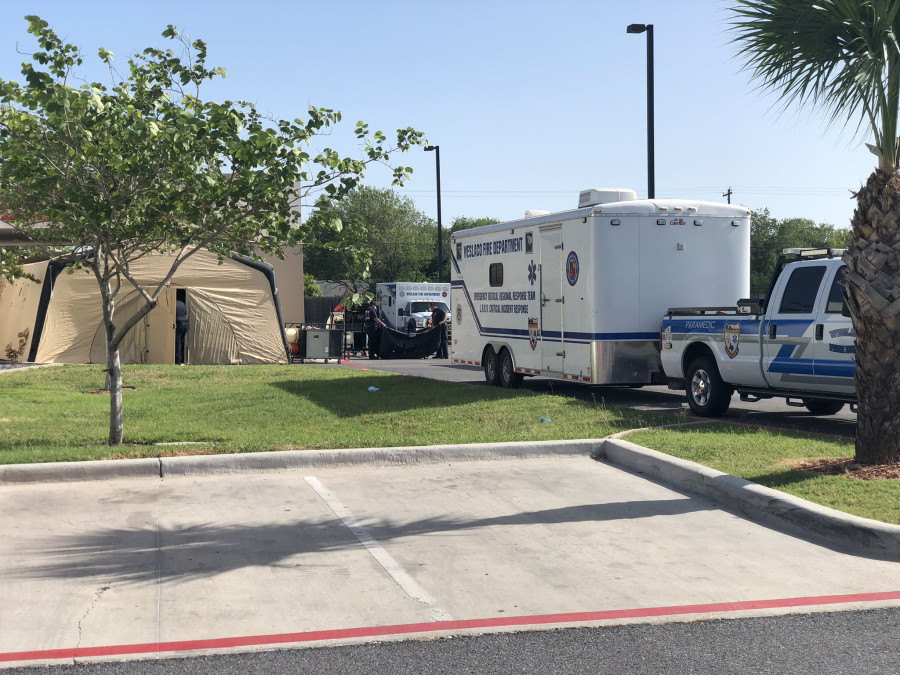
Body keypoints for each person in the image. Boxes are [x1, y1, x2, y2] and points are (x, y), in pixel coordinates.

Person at [175, 296, 189, 365]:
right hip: (185, 323)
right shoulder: (182, 303)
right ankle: (182, 358)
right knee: (181, 342)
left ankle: (178, 361)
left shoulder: (173, 304)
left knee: (177, 343)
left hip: (179, 324)